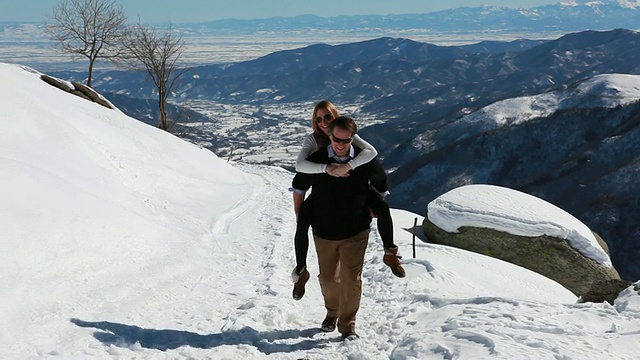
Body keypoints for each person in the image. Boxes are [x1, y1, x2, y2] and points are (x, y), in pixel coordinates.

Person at [289, 116, 402, 340]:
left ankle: (347, 323)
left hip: (356, 229)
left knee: (352, 278)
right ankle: (332, 313)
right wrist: (301, 212)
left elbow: (381, 182)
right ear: (329, 136)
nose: (340, 145)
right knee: (329, 279)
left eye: (346, 140)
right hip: (325, 230)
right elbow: (299, 184)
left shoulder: (363, 160)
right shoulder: (317, 159)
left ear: (353, 139)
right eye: (336, 140)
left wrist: (373, 203)